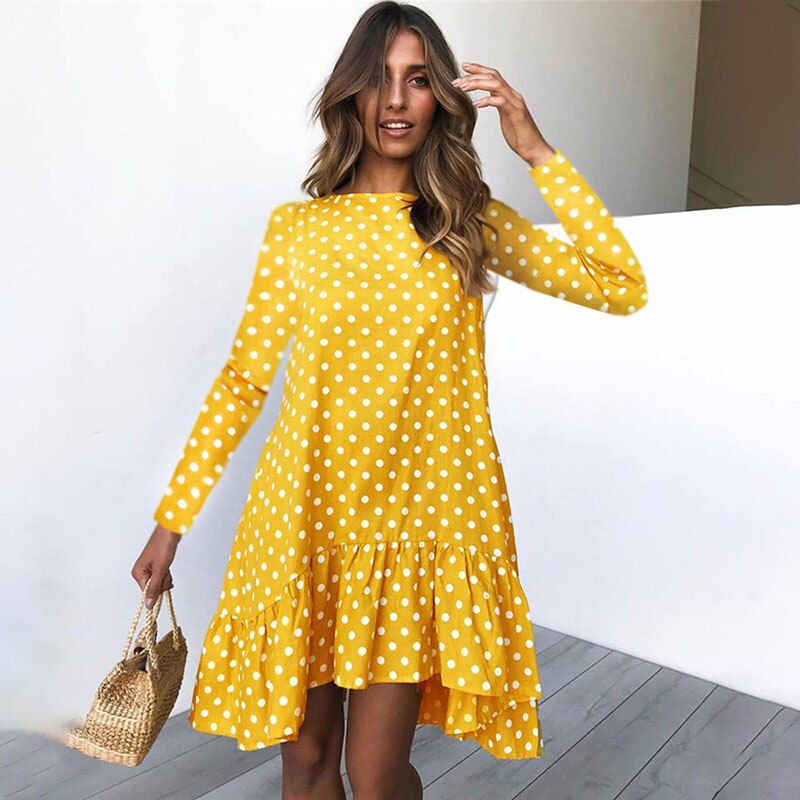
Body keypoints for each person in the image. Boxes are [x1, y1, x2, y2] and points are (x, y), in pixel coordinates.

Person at [132, 2, 648, 797]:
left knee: (375, 778)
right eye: (379, 80)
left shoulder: (466, 223)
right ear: (353, 94)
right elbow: (243, 380)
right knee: (306, 763)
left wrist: (535, 149)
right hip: (306, 523)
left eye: (418, 80)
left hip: (416, 529)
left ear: (442, 97)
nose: (398, 100)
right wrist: (171, 522)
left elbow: (621, 283)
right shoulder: (300, 230)